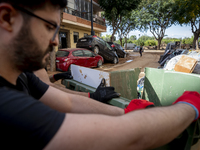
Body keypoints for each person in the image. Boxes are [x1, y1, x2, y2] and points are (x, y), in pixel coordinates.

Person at [0, 0, 199, 150]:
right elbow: (131, 136)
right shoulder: (6, 104)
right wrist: (188, 106)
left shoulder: (22, 76)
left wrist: (124, 111)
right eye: (50, 28)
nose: (54, 42)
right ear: (7, 18)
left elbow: (68, 102)